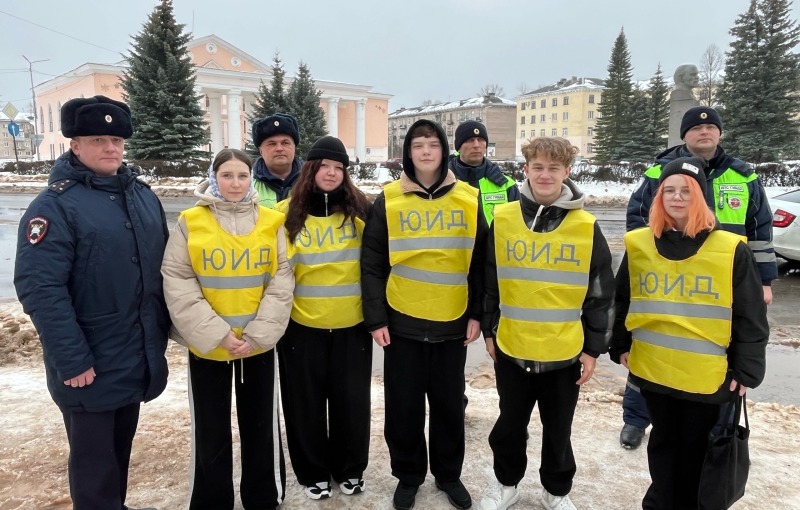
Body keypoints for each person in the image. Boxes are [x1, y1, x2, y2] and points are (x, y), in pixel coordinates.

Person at [14, 95, 169, 510]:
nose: (110, 148)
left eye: (116, 139)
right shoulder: (54, 207)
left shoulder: (142, 198)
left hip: (133, 355)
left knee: (118, 457)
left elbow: (160, 275)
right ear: (75, 145)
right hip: (88, 363)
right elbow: (40, 289)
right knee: (94, 469)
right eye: (98, 139)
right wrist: (72, 359)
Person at [611, 157, 768, 510]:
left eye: (686, 190)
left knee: (697, 451)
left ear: (700, 196)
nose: (677, 197)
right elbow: (624, 298)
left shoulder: (729, 248)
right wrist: (620, 343)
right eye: (669, 190)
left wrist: (747, 369)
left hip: (707, 380)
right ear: (658, 197)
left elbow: (750, 314)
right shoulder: (640, 244)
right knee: (664, 446)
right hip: (655, 371)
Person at [618, 105, 776, 450]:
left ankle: (716, 431)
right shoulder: (660, 172)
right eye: (696, 129)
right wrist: (650, 259)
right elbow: (637, 221)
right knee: (653, 347)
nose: (704, 133)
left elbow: (759, 229)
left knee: (714, 355)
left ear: (719, 133)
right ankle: (636, 419)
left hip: (723, 280)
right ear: (684, 134)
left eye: (711, 128)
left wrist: (763, 280)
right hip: (665, 278)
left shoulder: (742, 175)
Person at [479, 137, 615, 510]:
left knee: (558, 432)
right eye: (537, 167)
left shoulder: (585, 226)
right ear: (525, 170)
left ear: (567, 173)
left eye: (553, 168)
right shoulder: (503, 218)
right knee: (509, 427)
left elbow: (601, 293)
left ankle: (556, 492)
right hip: (512, 347)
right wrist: (490, 331)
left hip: (564, 352)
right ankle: (507, 485)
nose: (545, 174)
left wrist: (592, 349)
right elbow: (490, 281)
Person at [361, 119, 487, 510]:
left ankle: (448, 476)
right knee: (404, 407)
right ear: (408, 153)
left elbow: (481, 261)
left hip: (452, 323)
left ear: (444, 149)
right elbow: (372, 263)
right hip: (403, 323)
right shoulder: (389, 200)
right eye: (418, 145)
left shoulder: (468, 197)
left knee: (450, 407)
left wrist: (477, 313)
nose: (426, 151)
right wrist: (377, 318)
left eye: (433, 144)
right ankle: (409, 475)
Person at [161, 148, 294, 510]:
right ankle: (212, 499)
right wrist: (217, 334)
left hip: (257, 346)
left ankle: (263, 496)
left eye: (242, 175)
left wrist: (256, 335)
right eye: (227, 175)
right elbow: (177, 280)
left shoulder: (271, 221)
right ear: (213, 177)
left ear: (251, 178)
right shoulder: (191, 221)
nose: (235, 183)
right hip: (208, 345)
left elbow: (281, 281)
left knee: (261, 426)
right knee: (210, 428)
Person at [274, 136, 373, 500]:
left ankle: (350, 469)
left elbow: (376, 263)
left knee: (351, 403)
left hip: (352, 326)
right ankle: (312, 471)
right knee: (305, 405)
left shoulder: (360, 210)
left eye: (339, 168)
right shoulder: (285, 216)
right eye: (324, 166)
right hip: (301, 328)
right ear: (310, 169)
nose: (331, 173)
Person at [449, 120, 520, 226]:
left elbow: (517, 227)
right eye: (470, 140)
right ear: (458, 146)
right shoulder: (443, 182)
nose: (476, 145)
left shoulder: (506, 185)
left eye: (481, 139)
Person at [251, 112, 302, 208]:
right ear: (260, 151)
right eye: (272, 144)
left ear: (294, 147)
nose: (279, 148)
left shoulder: (311, 181)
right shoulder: (248, 185)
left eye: (285, 143)